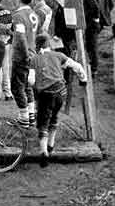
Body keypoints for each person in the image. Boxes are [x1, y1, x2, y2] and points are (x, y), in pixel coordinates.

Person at [29, 34, 87, 167]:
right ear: (49, 44)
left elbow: (31, 80)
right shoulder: (59, 55)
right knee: (54, 116)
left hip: (45, 94)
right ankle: (51, 145)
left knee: (42, 121)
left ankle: (44, 152)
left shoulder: (34, 59)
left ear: (37, 45)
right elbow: (76, 66)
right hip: (61, 92)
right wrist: (83, 80)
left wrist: (36, 86)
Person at [11, 0, 39, 127]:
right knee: (28, 85)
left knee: (16, 87)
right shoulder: (33, 14)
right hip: (33, 53)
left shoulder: (18, 16)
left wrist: (24, 54)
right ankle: (31, 114)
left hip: (22, 56)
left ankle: (23, 119)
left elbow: (21, 37)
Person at [83, 0, 113, 78]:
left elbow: (95, 7)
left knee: (92, 45)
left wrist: (96, 17)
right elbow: (111, 4)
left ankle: (93, 69)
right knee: (91, 44)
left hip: (92, 23)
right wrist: (105, 15)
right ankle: (92, 65)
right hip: (100, 23)